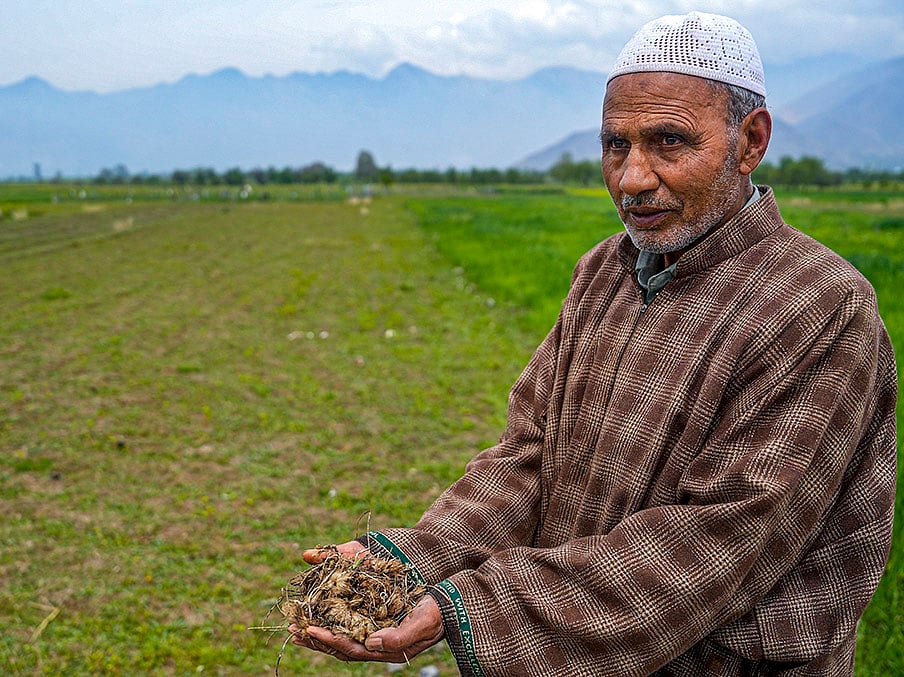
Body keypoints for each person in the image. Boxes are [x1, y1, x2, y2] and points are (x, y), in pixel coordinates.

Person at [290, 12, 898, 676]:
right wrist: (409, 562)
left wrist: (472, 609)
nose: (633, 178)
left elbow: (715, 545)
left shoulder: (819, 306)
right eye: (616, 145)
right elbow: (528, 460)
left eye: (669, 141)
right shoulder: (604, 274)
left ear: (749, 142)